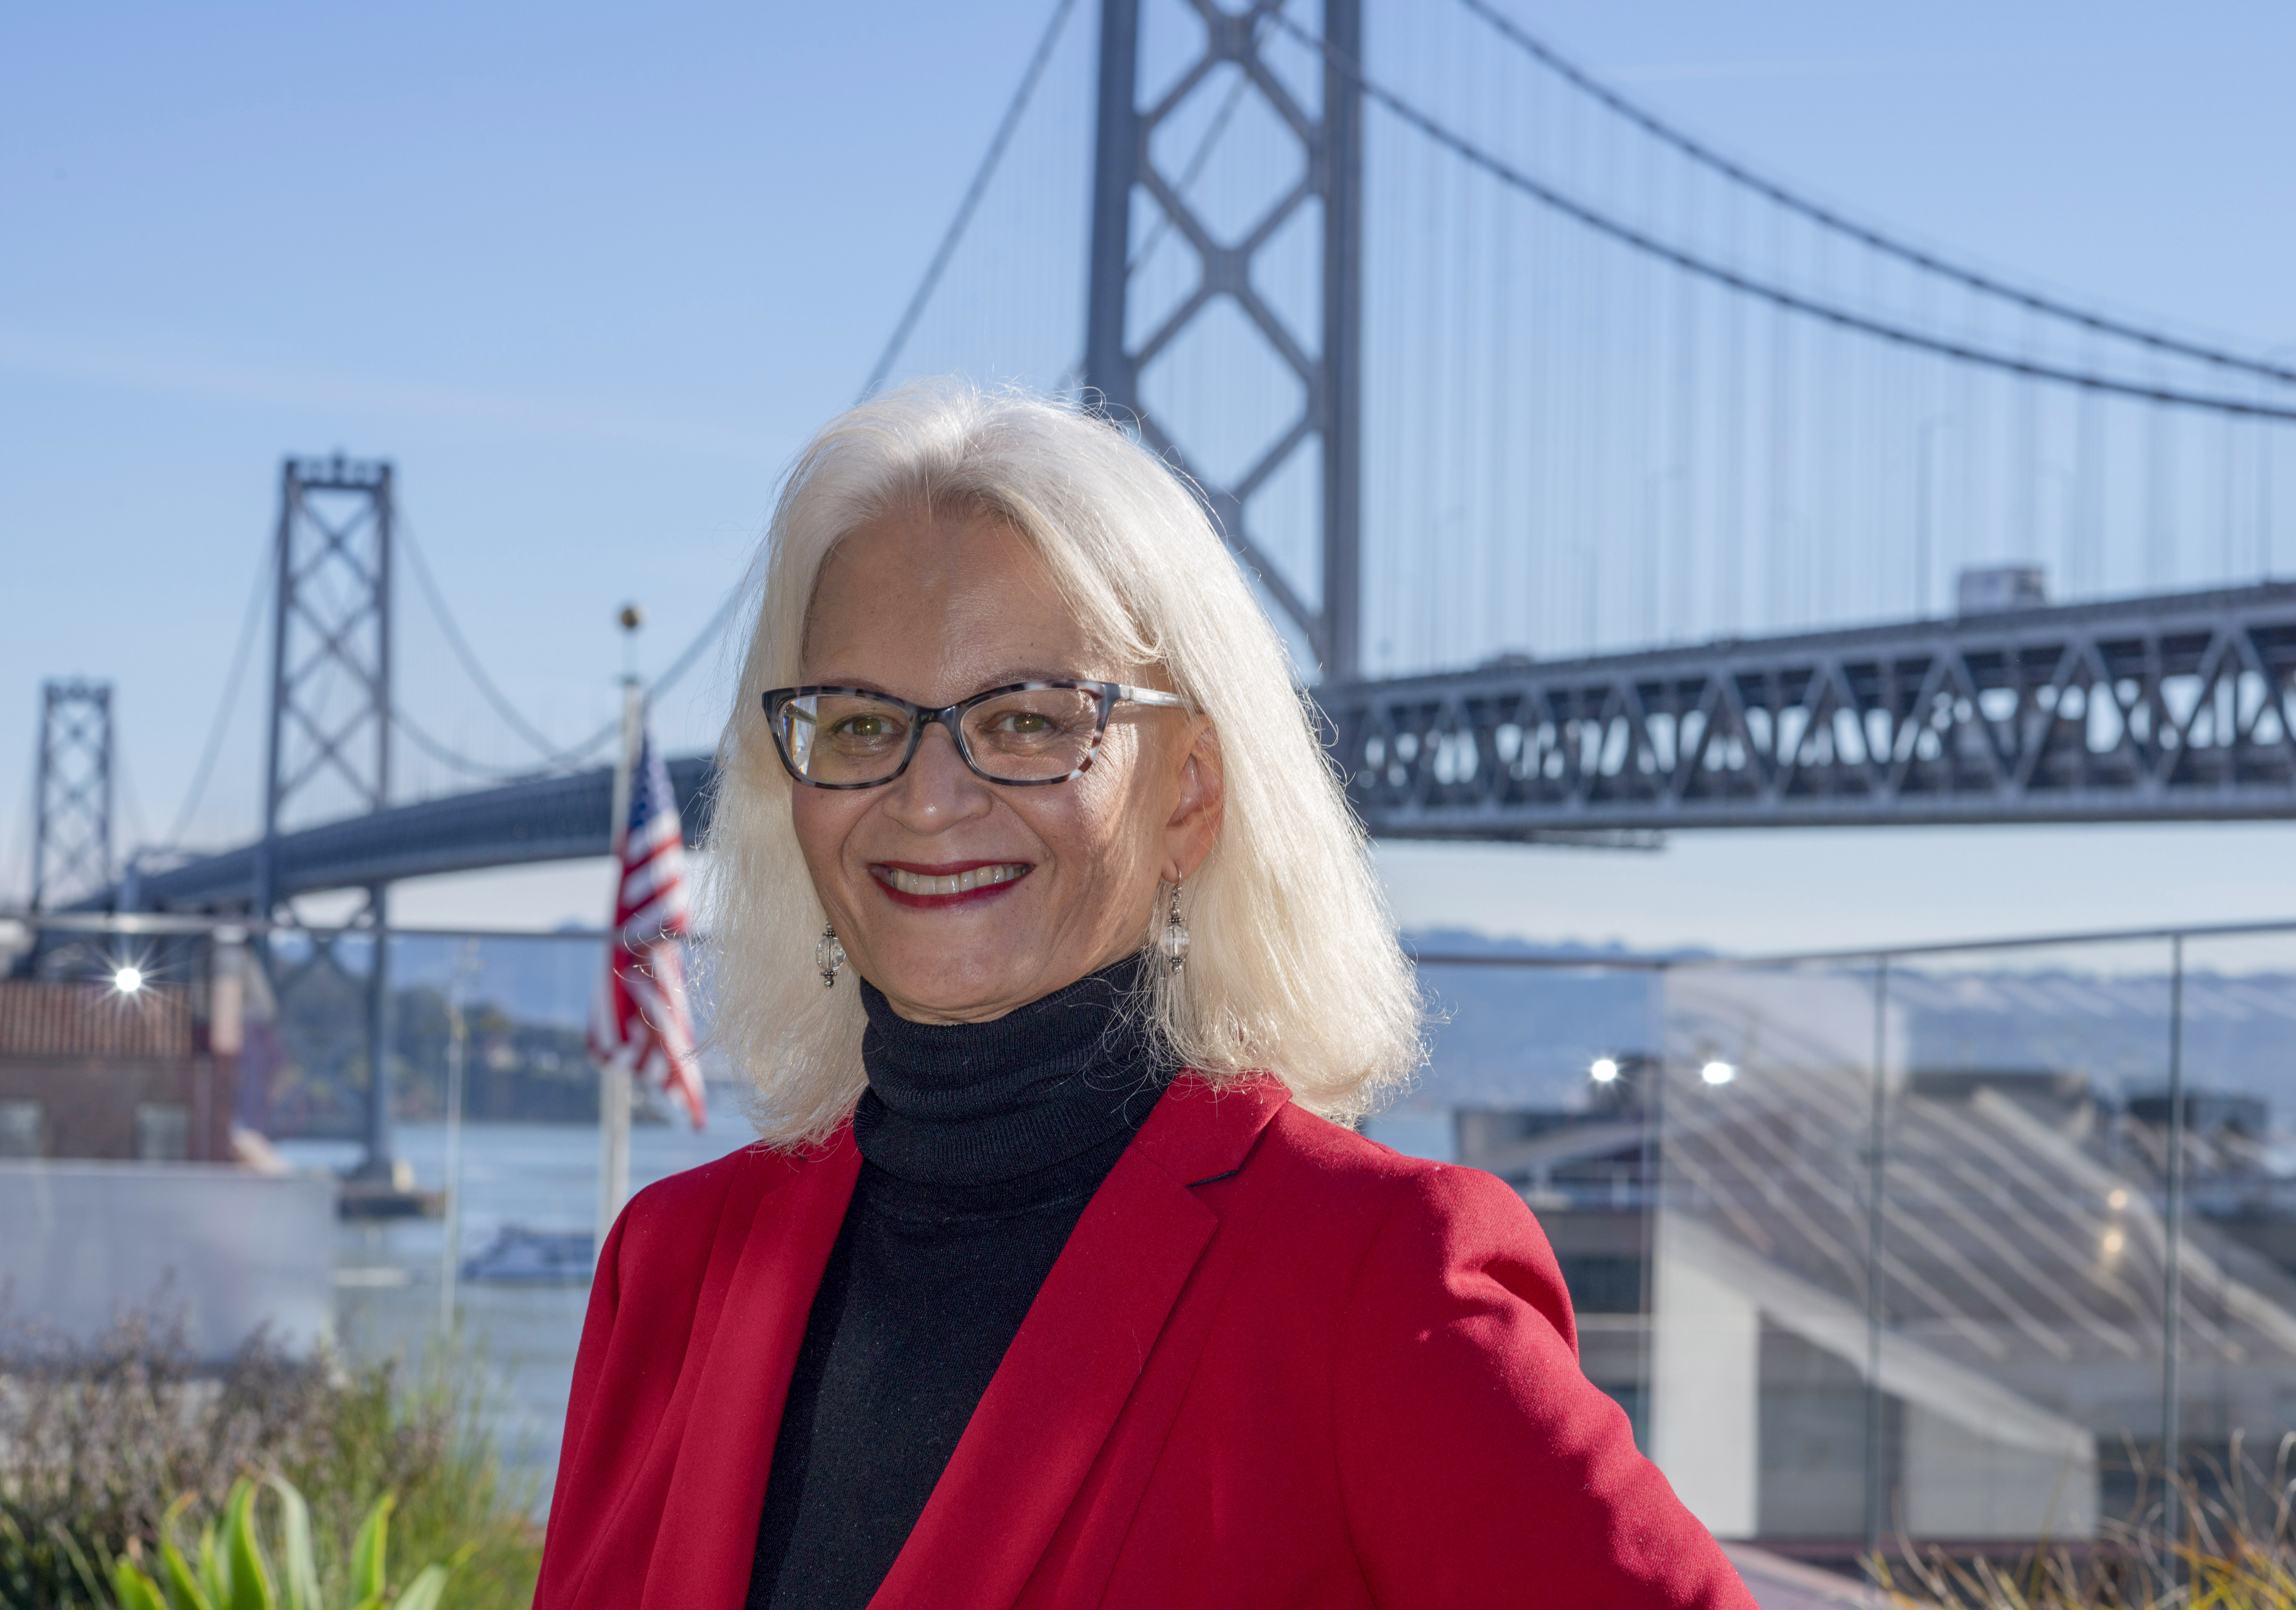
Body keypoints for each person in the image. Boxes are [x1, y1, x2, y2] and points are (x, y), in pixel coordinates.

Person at [533, 383, 1751, 1610]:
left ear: (1190, 797)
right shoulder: (672, 1268)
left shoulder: (1374, 1280)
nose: (928, 796)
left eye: (1024, 720)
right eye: (859, 725)